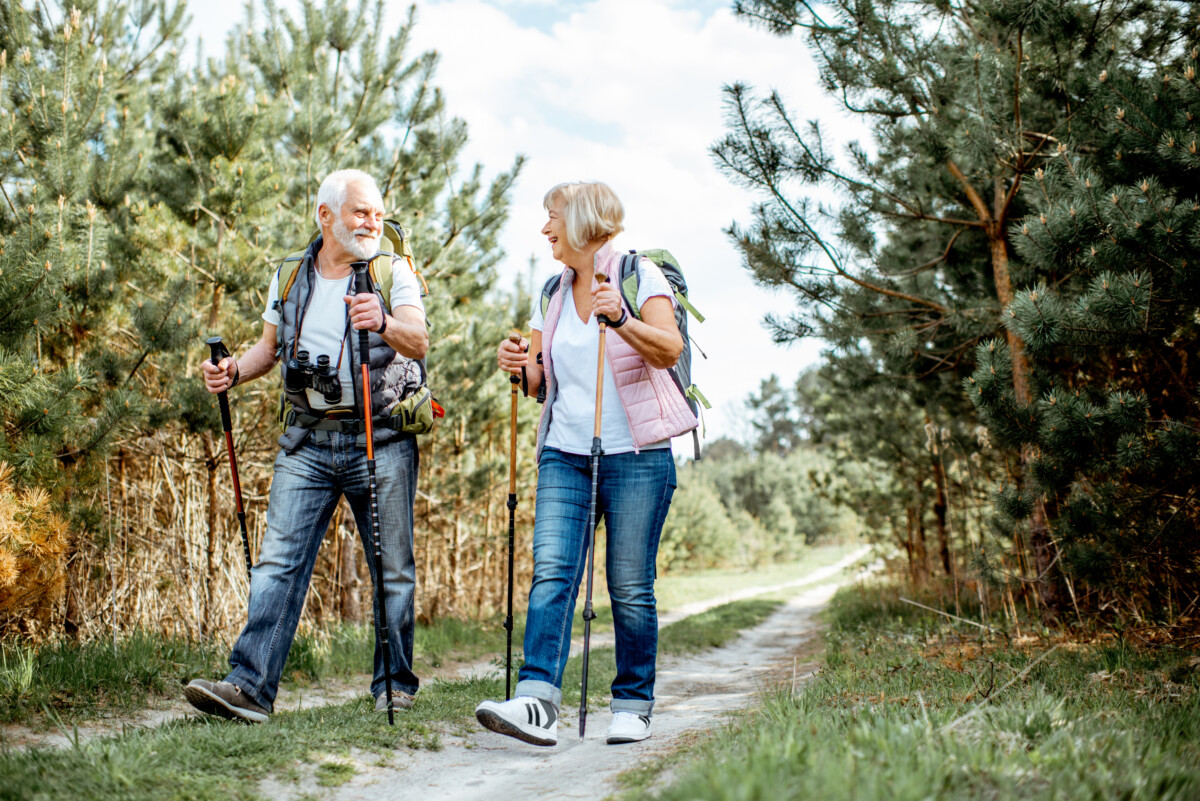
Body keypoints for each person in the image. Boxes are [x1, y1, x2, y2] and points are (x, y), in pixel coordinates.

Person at [185, 169, 429, 723]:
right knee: (277, 565)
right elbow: (267, 350)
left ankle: (394, 684)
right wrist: (232, 372)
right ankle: (249, 688)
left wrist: (385, 322)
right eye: (360, 212)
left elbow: (418, 340)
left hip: (381, 437)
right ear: (326, 216)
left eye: (377, 213)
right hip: (307, 441)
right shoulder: (291, 275)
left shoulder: (393, 272)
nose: (373, 222)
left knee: (391, 567)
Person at [475, 181, 696, 746]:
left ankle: (632, 703)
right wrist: (517, 364)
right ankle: (536, 702)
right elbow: (538, 383)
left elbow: (667, 350)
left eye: (551, 217)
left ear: (580, 221)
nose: (545, 229)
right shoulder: (550, 290)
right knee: (553, 574)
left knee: (628, 585)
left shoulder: (637, 274)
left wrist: (620, 319)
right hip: (564, 453)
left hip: (639, 458)